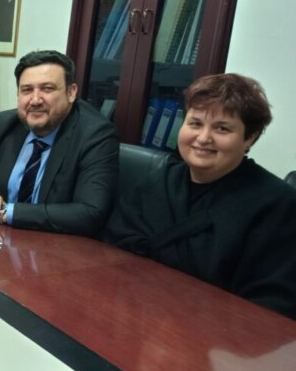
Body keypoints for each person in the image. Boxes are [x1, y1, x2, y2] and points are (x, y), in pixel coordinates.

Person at [105, 74, 296, 319]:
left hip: (215, 332)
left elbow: (272, 304)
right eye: (195, 123)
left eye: (222, 128)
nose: (203, 138)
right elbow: (114, 250)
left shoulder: (277, 204)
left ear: (250, 138)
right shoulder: (158, 181)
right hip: (138, 312)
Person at [0, 50, 118, 235]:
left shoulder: (94, 135)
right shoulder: (5, 124)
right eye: (27, 90)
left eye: (47, 89)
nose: (35, 100)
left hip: (55, 245)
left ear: (71, 93)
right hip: (0, 239)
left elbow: (90, 212)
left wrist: (5, 213)